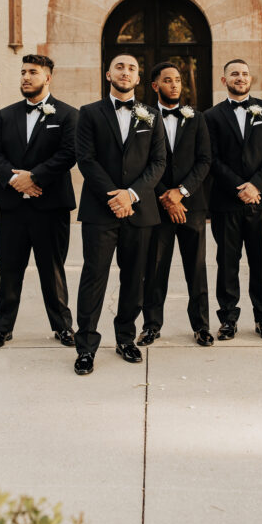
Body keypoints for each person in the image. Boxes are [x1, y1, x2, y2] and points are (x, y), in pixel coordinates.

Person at [73, 53, 166, 375]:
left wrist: (132, 194)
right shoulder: (89, 113)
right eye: (120, 67)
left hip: (140, 211)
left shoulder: (151, 116)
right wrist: (114, 195)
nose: (125, 72)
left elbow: (158, 162)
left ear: (139, 79)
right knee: (93, 277)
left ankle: (125, 337)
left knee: (135, 279)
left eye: (132, 69)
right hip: (101, 210)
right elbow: (86, 159)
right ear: (108, 74)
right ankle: (85, 346)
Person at [0, 54, 77, 349]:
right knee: (10, 268)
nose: (26, 77)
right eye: (23, 72)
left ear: (48, 77)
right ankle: (1, 328)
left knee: (52, 269)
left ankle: (62, 326)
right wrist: (14, 180)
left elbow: (68, 154)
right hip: (11, 206)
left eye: (33, 72)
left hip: (50, 205)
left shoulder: (67, 115)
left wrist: (34, 178)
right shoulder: (5, 115)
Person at [204, 58, 262, 341]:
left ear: (251, 79)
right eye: (234, 74)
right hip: (227, 201)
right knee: (227, 262)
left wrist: (255, 185)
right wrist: (239, 186)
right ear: (223, 80)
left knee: (261, 261)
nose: (240, 77)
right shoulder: (211, 116)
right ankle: (228, 319)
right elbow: (211, 158)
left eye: (245, 73)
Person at [138, 61, 213, 347]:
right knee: (155, 270)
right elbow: (141, 163)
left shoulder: (196, 117)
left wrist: (181, 192)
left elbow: (204, 160)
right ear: (155, 86)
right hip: (156, 207)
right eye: (167, 80)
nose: (174, 84)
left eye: (178, 80)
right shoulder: (142, 117)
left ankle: (202, 326)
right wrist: (165, 196)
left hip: (191, 206)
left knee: (196, 268)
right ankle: (151, 325)